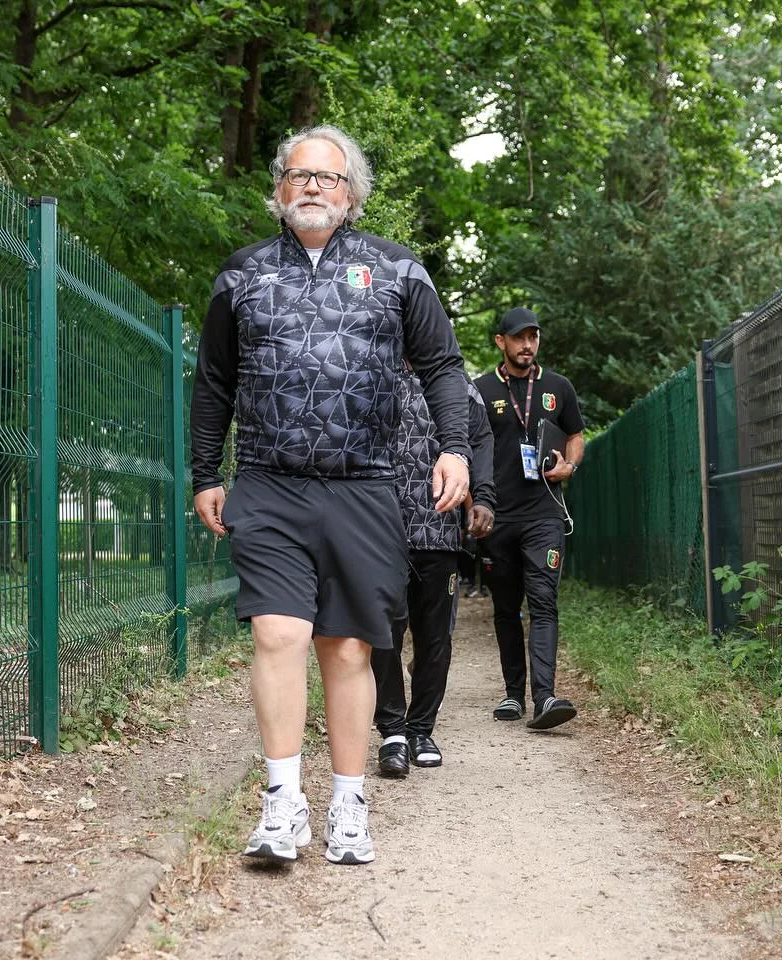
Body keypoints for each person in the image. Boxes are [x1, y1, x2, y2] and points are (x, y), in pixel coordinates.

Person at [190, 125, 471, 865]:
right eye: (299, 174)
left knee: (347, 647)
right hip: (270, 483)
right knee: (277, 634)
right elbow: (215, 380)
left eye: (330, 177)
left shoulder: (397, 270)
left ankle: (349, 803)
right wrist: (204, 473)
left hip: (365, 486)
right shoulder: (242, 276)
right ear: (279, 190)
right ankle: (283, 805)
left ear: (352, 197)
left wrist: (454, 448)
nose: (314, 186)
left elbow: (443, 364)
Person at [372, 371, 495, 776]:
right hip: (379, 528)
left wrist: (485, 498)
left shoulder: (455, 383)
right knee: (383, 632)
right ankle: (391, 731)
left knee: (434, 636)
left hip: (439, 530)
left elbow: (479, 439)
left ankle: (421, 729)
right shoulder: (374, 364)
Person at [473, 307, 585, 730]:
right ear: (501, 342)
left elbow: (575, 436)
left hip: (544, 514)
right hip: (497, 515)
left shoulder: (558, 387)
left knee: (543, 602)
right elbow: (465, 447)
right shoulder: (480, 390)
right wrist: (472, 506)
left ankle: (545, 697)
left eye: (533, 337)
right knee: (505, 607)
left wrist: (569, 467)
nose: (527, 345)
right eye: (519, 338)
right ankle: (512, 694)